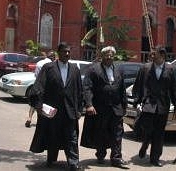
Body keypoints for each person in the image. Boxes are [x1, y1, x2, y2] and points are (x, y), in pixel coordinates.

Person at [29, 42, 83, 171]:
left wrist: (80, 109)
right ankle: (51, 158)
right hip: (53, 110)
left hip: (70, 110)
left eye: (69, 51)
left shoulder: (74, 69)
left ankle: (73, 163)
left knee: (72, 137)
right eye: (64, 51)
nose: (67, 54)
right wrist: (39, 105)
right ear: (58, 53)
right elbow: (39, 86)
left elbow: (79, 90)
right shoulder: (49, 68)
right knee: (53, 135)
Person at [80, 46, 129, 169]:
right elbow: (87, 87)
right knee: (101, 132)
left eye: (111, 54)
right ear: (102, 56)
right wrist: (89, 104)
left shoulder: (119, 69)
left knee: (118, 133)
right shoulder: (93, 69)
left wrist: (124, 105)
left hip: (116, 108)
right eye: (107, 54)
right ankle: (101, 153)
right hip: (100, 108)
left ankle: (116, 158)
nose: (109, 57)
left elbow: (122, 88)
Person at [132, 45, 176, 167]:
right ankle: (145, 143)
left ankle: (155, 158)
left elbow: (175, 89)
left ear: (162, 55)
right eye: (151, 53)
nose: (151, 56)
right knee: (147, 129)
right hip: (148, 104)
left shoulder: (171, 69)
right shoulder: (145, 68)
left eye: (154, 54)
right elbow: (138, 85)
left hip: (163, 105)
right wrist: (137, 102)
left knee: (159, 133)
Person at [25, 49, 55, 128]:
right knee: (43, 104)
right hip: (45, 87)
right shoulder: (51, 64)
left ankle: (29, 118)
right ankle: (42, 121)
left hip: (36, 85)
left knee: (33, 103)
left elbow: (35, 75)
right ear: (52, 57)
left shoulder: (39, 63)